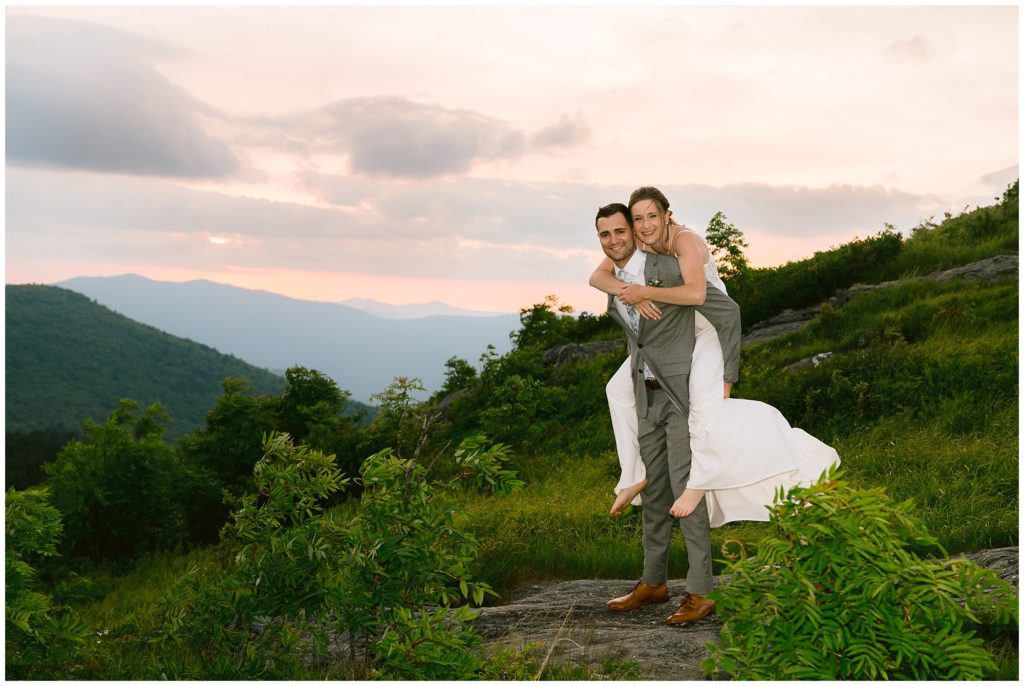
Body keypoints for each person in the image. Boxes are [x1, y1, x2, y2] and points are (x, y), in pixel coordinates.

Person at [591, 186, 840, 529]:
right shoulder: (642, 241)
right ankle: (633, 475)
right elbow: (597, 276)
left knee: (703, 409)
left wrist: (644, 292)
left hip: (707, 328)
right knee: (617, 390)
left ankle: (700, 483)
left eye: (652, 216)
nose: (646, 225)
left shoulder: (686, 241)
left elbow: (696, 294)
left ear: (667, 214)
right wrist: (627, 292)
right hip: (673, 334)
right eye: (638, 219)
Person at [595, 202, 742, 625]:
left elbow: (726, 311)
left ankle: (700, 591)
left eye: (623, 230)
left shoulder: (672, 268)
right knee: (656, 493)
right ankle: (653, 583)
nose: (618, 239)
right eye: (607, 235)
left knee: (684, 491)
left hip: (681, 396)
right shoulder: (616, 280)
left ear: (639, 231)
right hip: (647, 394)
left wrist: (727, 377)